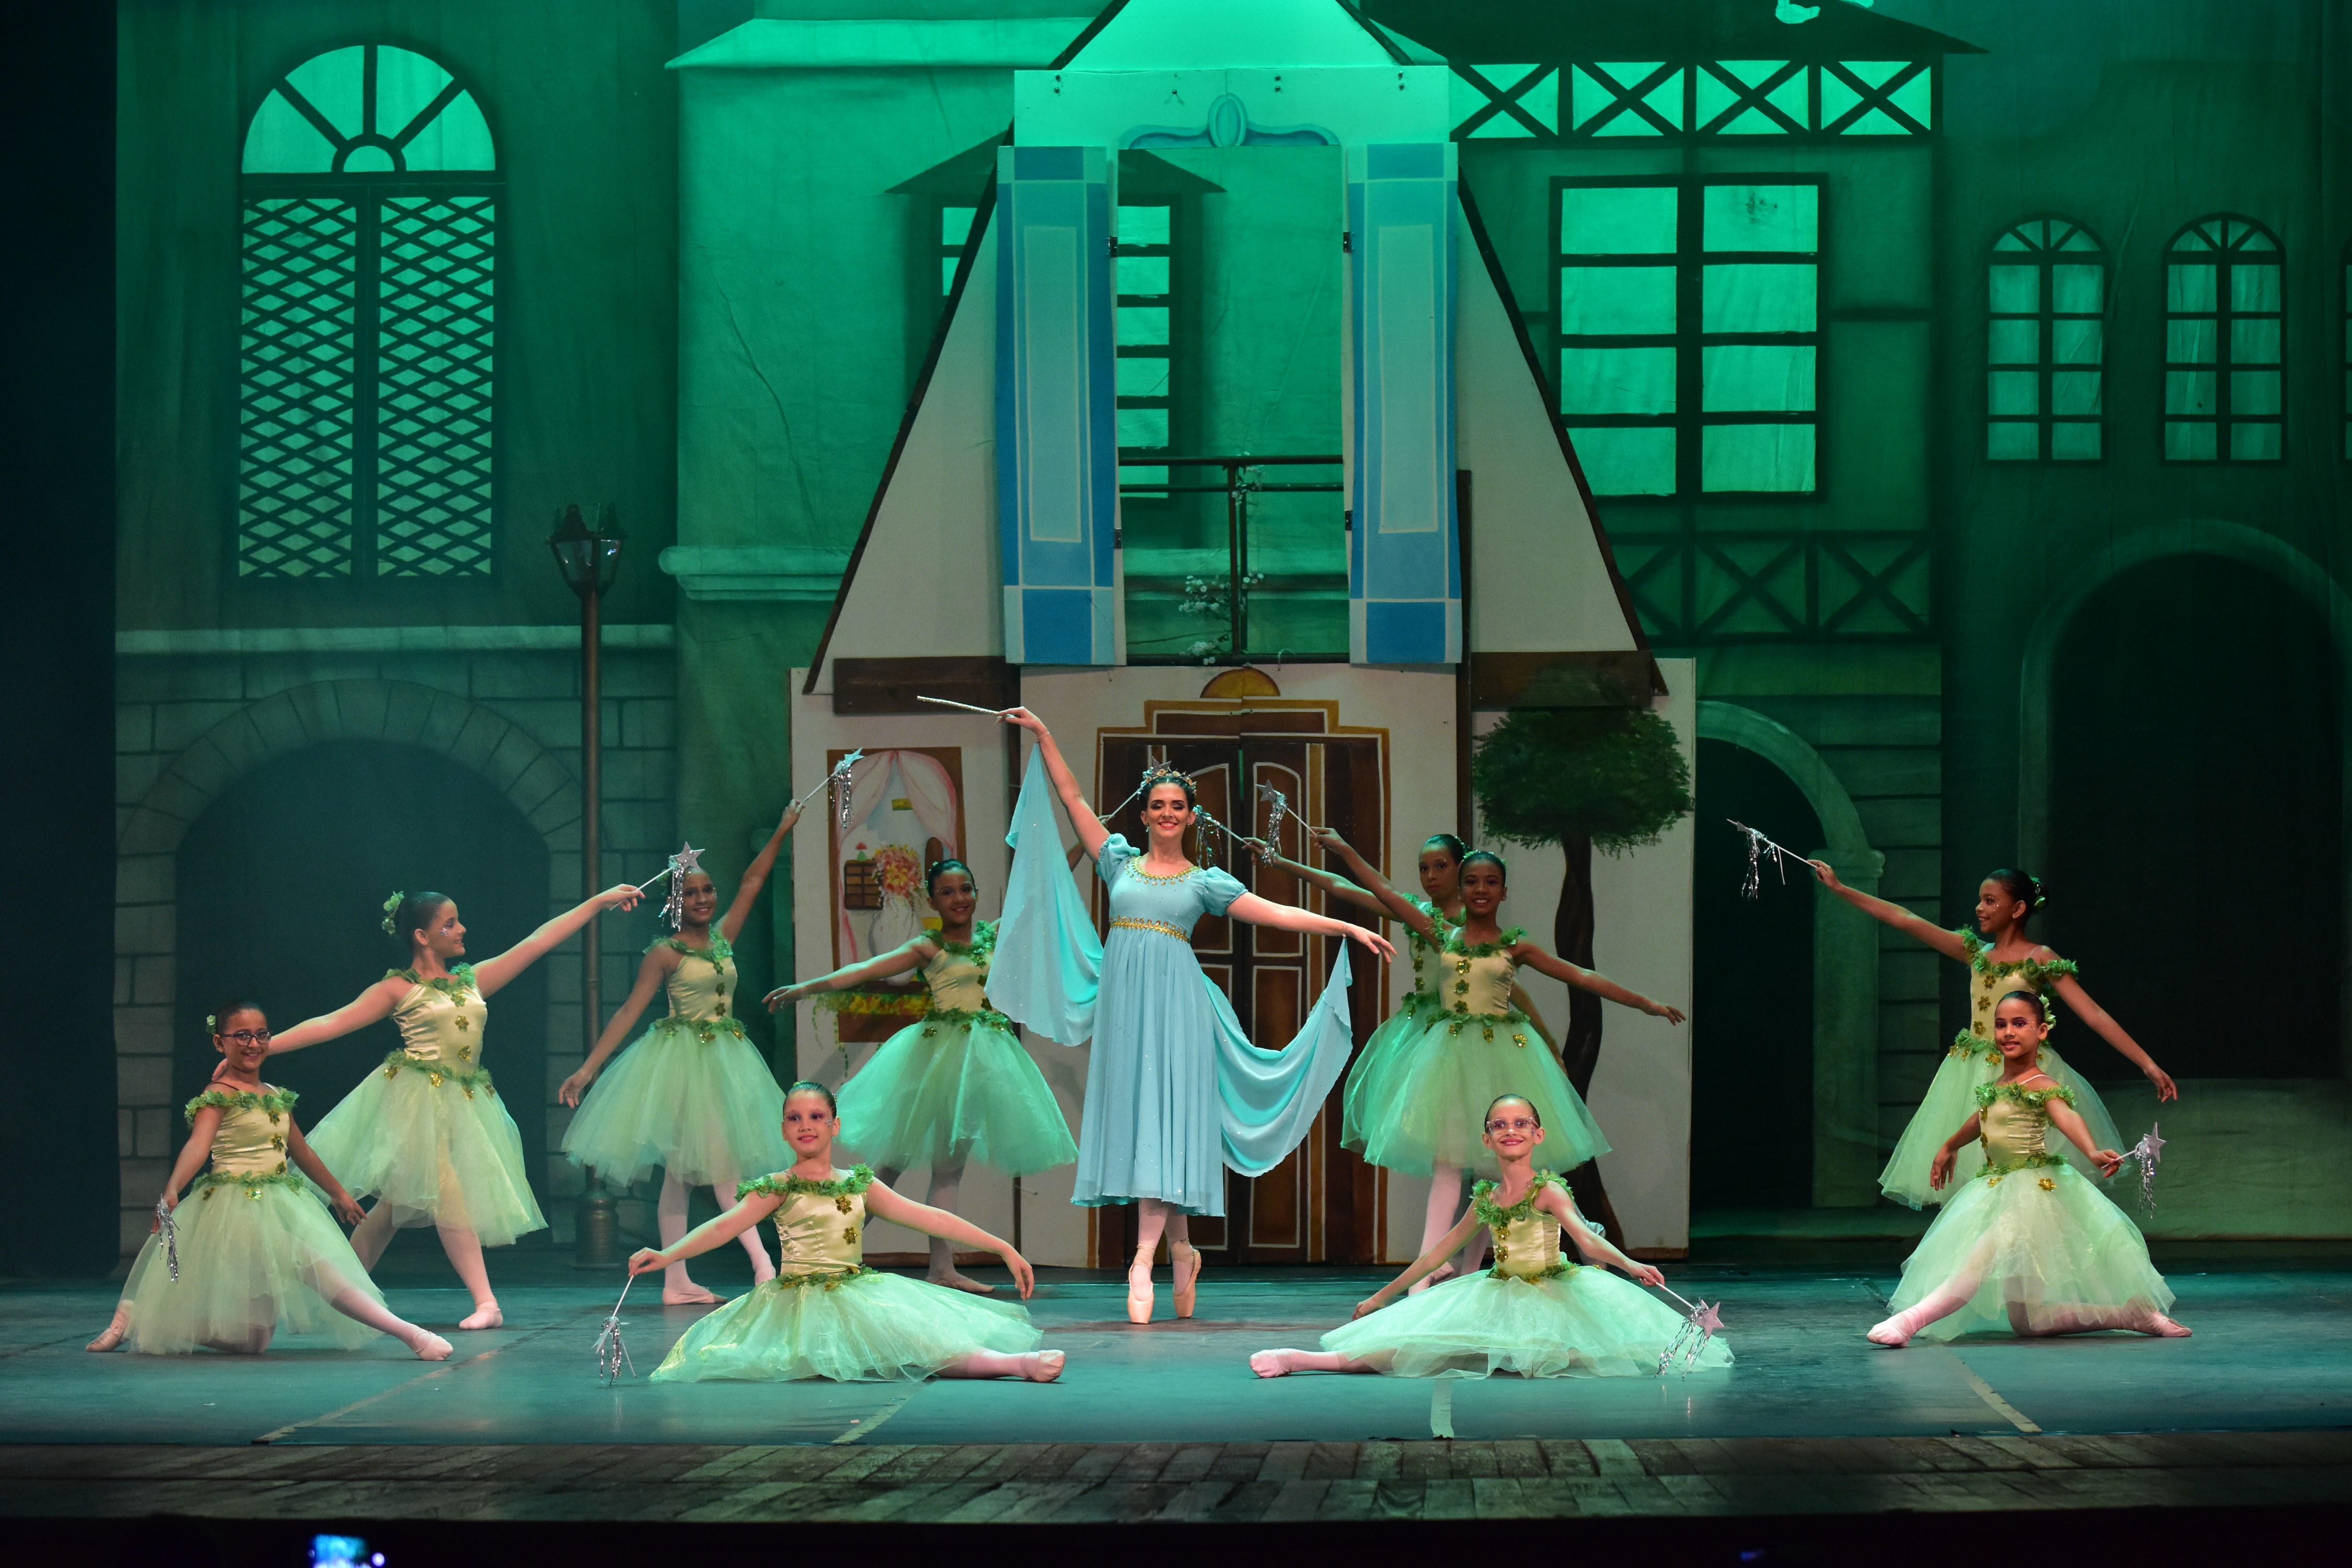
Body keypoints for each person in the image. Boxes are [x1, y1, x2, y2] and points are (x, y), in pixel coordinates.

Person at [992, 707, 1397, 1323]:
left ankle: (1142, 1259)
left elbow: (1275, 913)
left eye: (1177, 806)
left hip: (1178, 1009)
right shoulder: (1117, 861)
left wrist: (1344, 925)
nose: (1166, 814)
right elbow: (1072, 798)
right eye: (1158, 805)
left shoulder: (1205, 882)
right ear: (1144, 814)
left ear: (1190, 815)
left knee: (1164, 1125)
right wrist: (1046, 735)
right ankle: (1182, 1249)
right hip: (1127, 1011)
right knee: (1151, 1128)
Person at [264, 883, 642, 1329]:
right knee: (445, 1192)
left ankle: (341, 1296)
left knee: (392, 1208)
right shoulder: (397, 988)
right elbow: (332, 1023)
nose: (461, 929)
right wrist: (262, 1048)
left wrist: (597, 902)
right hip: (417, 1102)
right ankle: (487, 1303)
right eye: (450, 924)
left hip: (465, 1100)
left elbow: (537, 942)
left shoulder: (472, 980)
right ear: (422, 936)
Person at [1345, 851, 1681, 1270]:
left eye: (1491, 882)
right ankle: (1426, 1276)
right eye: (1472, 881)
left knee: (1500, 1169)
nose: (1481, 889)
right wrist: (1343, 850)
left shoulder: (1515, 947)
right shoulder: (1441, 933)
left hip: (1503, 1054)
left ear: (1504, 891)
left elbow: (1580, 975)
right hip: (1449, 1057)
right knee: (1450, 1166)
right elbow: (1385, 892)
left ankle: (1497, 1264)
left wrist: (1644, 1003)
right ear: (1461, 888)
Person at [1255, 827, 1559, 1286]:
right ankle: (1433, 1268)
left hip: (1479, 1042)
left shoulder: (1474, 928)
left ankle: (1470, 1271)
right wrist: (1282, 863)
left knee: (1490, 1165)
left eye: (1442, 867)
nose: (1432, 876)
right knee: (1450, 1160)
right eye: (1424, 868)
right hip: (1429, 1042)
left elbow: (1511, 989)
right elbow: (1347, 888)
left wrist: (1545, 1038)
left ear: (1462, 870)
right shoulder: (1419, 914)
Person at [1247, 1095, 1728, 1379]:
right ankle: (1302, 1360)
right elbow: (1435, 1255)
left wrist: (1630, 1264)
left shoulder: (1548, 1190)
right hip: (1498, 1292)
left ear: (1538, 1135)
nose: (1510, 1131)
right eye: (1500, 1126)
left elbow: (1586, 1240)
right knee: (1422, 1346)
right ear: (1487, 1139)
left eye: (1521, 1124)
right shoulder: (1487, 1199)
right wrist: (1380, 1298)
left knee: (1578, 1356)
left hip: (1552, 1293)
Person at [765, 858, 1075, 1295]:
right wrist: (804, 989)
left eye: (965, 889)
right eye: (947, 892)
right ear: (932, 901)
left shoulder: (993, 935)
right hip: (937, 1059)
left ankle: (941, 1268)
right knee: (890, 1167)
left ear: (976, 893)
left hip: (980, 1064)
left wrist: (1080, 844)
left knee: (948, 1170)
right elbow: (864, 971)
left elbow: (1039, 895)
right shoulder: (928, 948)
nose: (959, 899)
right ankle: (824, 1254)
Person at [89, 1002, 452, 1361]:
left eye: (261, 1035)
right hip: (237, 1206)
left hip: (277, 1201)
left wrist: (338, 1193)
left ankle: (142, 1320)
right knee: (320, 1269)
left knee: (254, 1340)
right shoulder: (218, 1095)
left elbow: (301, 1151)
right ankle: (412, 1335)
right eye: (241, 1036)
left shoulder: (275, 1095)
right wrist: (173, 1188)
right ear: (220, 1042)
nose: (253, 1044)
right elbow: (198, 1146)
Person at [638, 1082, 1063, 1383]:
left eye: (817, 1117)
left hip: (857, 1295)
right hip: (797, 1304)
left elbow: (928, 1217)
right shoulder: (779, 1186)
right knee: (804, 1362)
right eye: (795, 1118)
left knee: (926, 1343)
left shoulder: (859, 1184)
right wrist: (668, 1255)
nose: (806, 1125)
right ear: (784, 1129)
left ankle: (1017, 1364)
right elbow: (724, 1225)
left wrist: (1002, 1247)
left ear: (834, 1126)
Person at [1808, 863, 2174, 1207]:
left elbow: (2093, 1014)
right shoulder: (1975, 953)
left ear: (2018, 909)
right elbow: (1906, 919)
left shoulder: (2040, 957)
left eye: (1990, 901)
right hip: (1971, 1072)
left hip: (2025, 1071)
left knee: (2029, 1171)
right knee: (1977, 1181)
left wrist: (2147, 1064)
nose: (1979, 908)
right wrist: (1841, 888)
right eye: (1980, 900)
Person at [562, 809, 800, 1304]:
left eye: (708, 890)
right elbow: (628, 1012)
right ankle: (762, 1267)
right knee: (718, 1174)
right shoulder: (665, 953)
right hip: (682, 1063)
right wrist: (588, 1069)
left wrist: (782, 828)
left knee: (684, 1176)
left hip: (726, 1061)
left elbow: (754, 881)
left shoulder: (723, 939)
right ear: (676, 900)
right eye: (691, 892)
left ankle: (677, 1281)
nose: (703, 898)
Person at [1867, 991, 2188, 1346]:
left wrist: (2091, 1150)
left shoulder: (2042, 1085)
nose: (2008, 1032)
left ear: (2042, 1031)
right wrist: (1950, 1145)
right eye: (2001, 1024)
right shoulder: (1997, 1087)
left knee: (1976, 1262)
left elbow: (2067, 1117)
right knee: (2029, 1321)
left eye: (2020, 1024)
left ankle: (1909, 1321)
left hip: (2029, 1194)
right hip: (1996, 1188)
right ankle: (2129, 1315)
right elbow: (1982, 1119)